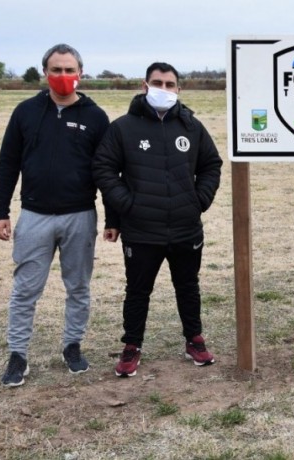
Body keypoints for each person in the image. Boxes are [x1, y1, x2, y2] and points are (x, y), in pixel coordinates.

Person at [0, 44, 111, 387]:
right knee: (25, 290)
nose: (63, 76)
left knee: (78, 287)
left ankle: (72, 346)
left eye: (69, 69)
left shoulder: (95, 117)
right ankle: (18, 355)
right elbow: (7, 163)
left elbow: (106, 171)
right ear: (45, 73)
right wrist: (0, 211)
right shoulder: (26, 112)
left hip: (80, 216)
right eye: (56, 70)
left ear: (80, 73)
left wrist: (114, 218)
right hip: (34, 216)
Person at [93, 62, 223, 378]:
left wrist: (199, 200)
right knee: (137, 291)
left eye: (169, 84)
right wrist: (126, 206)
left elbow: (211, 164)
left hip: (185, 227)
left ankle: (194, 340)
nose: (163, 89)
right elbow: (104, 168)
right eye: (157, 83)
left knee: (188, 286)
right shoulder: (123, 127)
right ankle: (131, 347)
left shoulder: (192, 127)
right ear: (144, 85)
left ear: (178, 89)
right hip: (141, 230)